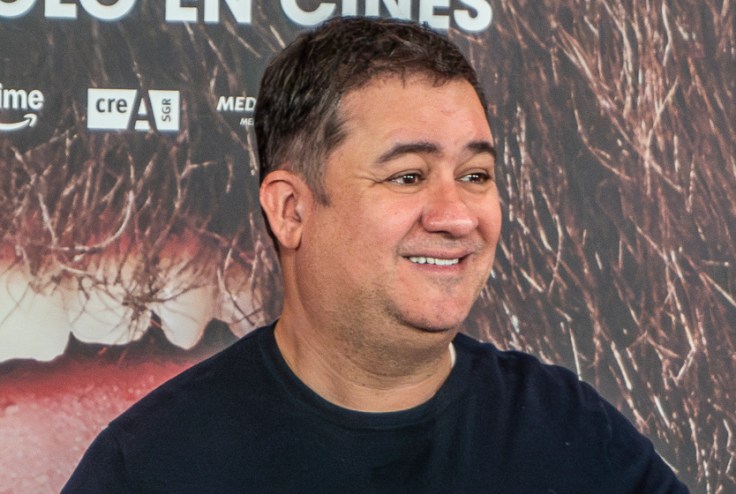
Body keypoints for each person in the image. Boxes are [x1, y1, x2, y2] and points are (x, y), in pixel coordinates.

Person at [63, 17, 689, 493]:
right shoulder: (152, 467)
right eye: (407, 176)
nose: (456, 217)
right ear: (291, 210)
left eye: (475, 176)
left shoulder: (571, 435)